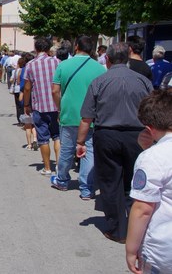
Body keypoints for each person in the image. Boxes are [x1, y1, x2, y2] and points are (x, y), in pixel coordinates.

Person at [76, 42, 153, 243]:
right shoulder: (143, 81)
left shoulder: (99, 82)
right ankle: (137, 225)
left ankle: (118, 229)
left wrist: (80, 142)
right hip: (137, 136)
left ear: (107, 60)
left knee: (110, 183)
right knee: (134, 181)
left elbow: (86, 118)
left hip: (107, 135)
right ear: (127, 58)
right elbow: (152, 112)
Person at [51, 35, 106, 200]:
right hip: (90, 117)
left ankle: (62, 180)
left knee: (67, 149)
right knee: (89, 152)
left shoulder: (63, 65)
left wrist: (60, 108)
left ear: (76, 47)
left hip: (68, 113)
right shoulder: (99, 68)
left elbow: (55, 91)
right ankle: (86, 189)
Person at [126, 89, 172, 274]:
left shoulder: (151, 158)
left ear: (149, 128)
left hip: (164, 249)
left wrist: (131, 249)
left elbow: (142, 209)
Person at [23, 37, 60, 175]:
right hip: (56, 105)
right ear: (49, 48)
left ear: (36, 48)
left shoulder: (31, 65)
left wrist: (26, 104)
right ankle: (59, 166)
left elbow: (27, 88)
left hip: (39, 105)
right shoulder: (58, 62)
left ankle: (47, 167)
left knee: (43, 138)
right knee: (57, 136)